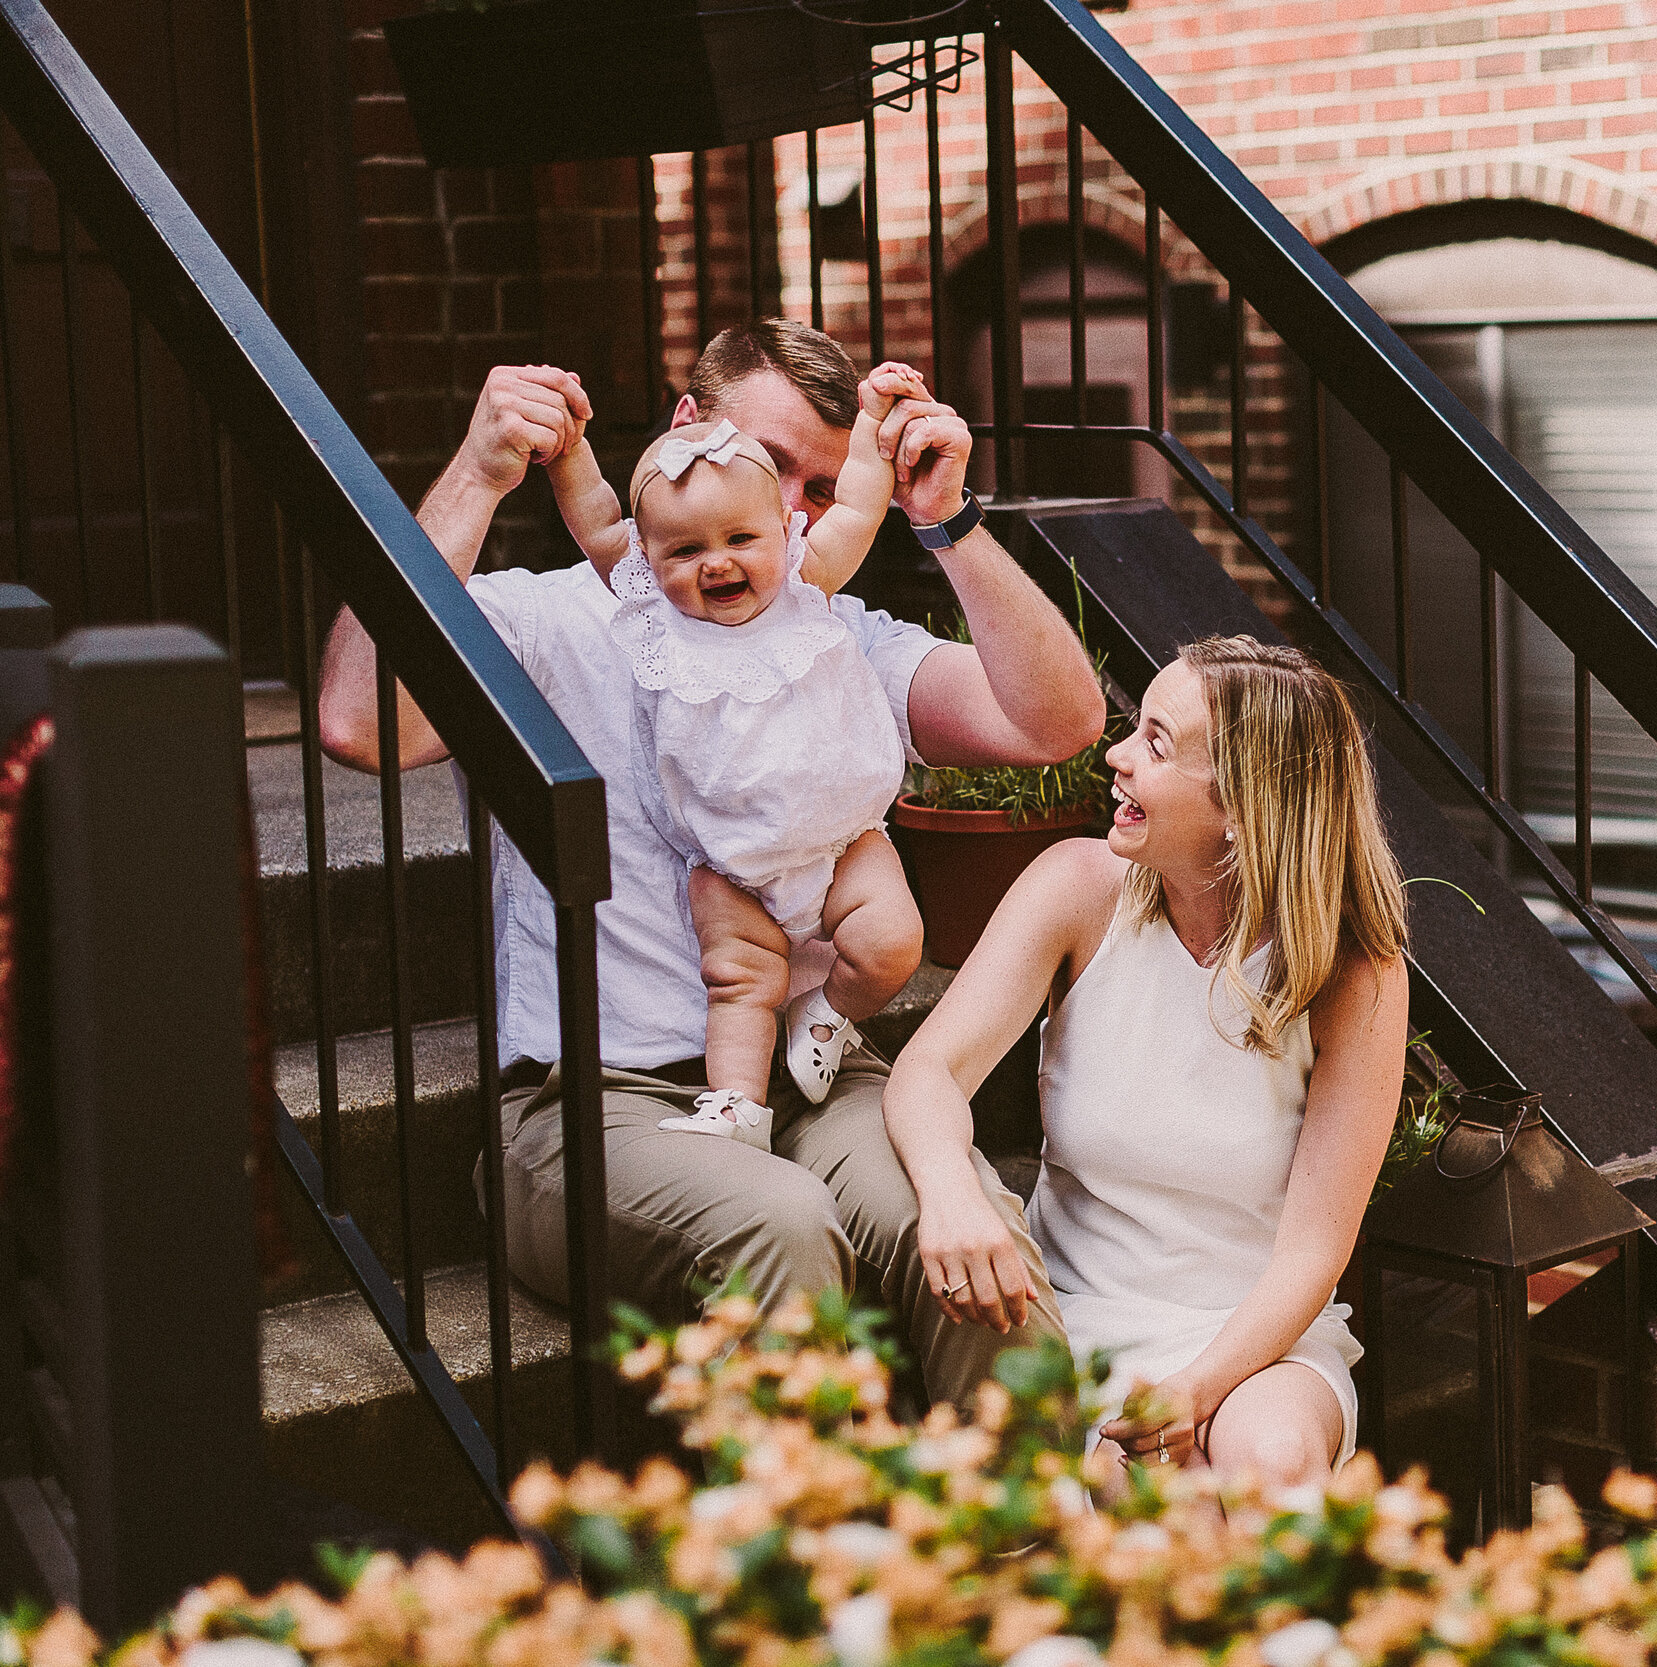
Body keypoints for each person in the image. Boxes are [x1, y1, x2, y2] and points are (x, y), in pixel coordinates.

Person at [317, 319, 1104, 1407]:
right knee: (779, 1224)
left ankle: (1034, 1535)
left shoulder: (824, 636)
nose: (785, 505)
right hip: (595, 1103)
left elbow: (1055, 723)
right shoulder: (552, 617)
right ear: (686, 430)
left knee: (963, 1218)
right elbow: (362, 722)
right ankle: (813, 1566)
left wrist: (948, 520)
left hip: (812, 1081)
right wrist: (480, 471)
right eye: (771, 460)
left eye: (819, 490)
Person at [885, 637, 1410, 1486]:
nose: (1116, 756)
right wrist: (951, 1188)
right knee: (1172, 1508)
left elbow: (1315, 1248)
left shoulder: (1354, 968)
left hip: (1260, 1333)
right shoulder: (1076, 889)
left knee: (1269, 1463)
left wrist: (1196, 1389)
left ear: (1243, 804)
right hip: (1083, 1321)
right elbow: (928, 1071)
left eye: (1156, 743)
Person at [541, 360, 929, 1139]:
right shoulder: (653, 611)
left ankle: (826, 1016)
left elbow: (856, 501)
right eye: (684, 550)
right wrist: (569, 449)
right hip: (728, 860)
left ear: (783, 533)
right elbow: (593, 517)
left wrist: (875, 418)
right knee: (740, 983)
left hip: (843, 837)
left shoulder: (803, 579)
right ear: (648, 559)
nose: (716, 561)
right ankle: (739, 1105)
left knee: (893, 941)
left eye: (740, 538)